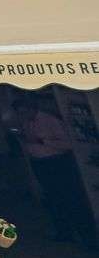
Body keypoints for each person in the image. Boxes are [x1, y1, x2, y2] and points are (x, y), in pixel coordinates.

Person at [13, 97, 95, 243]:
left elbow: (67, 143)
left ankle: (87, 236)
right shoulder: (25, 122)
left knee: (71, 198)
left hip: (57, 163)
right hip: (40, 163)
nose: (22, 115)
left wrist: (42, 141)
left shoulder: (50, 120)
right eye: (19, 113)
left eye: (24, 112)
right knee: (52, 198)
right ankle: (64, 232)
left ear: (32, 108)